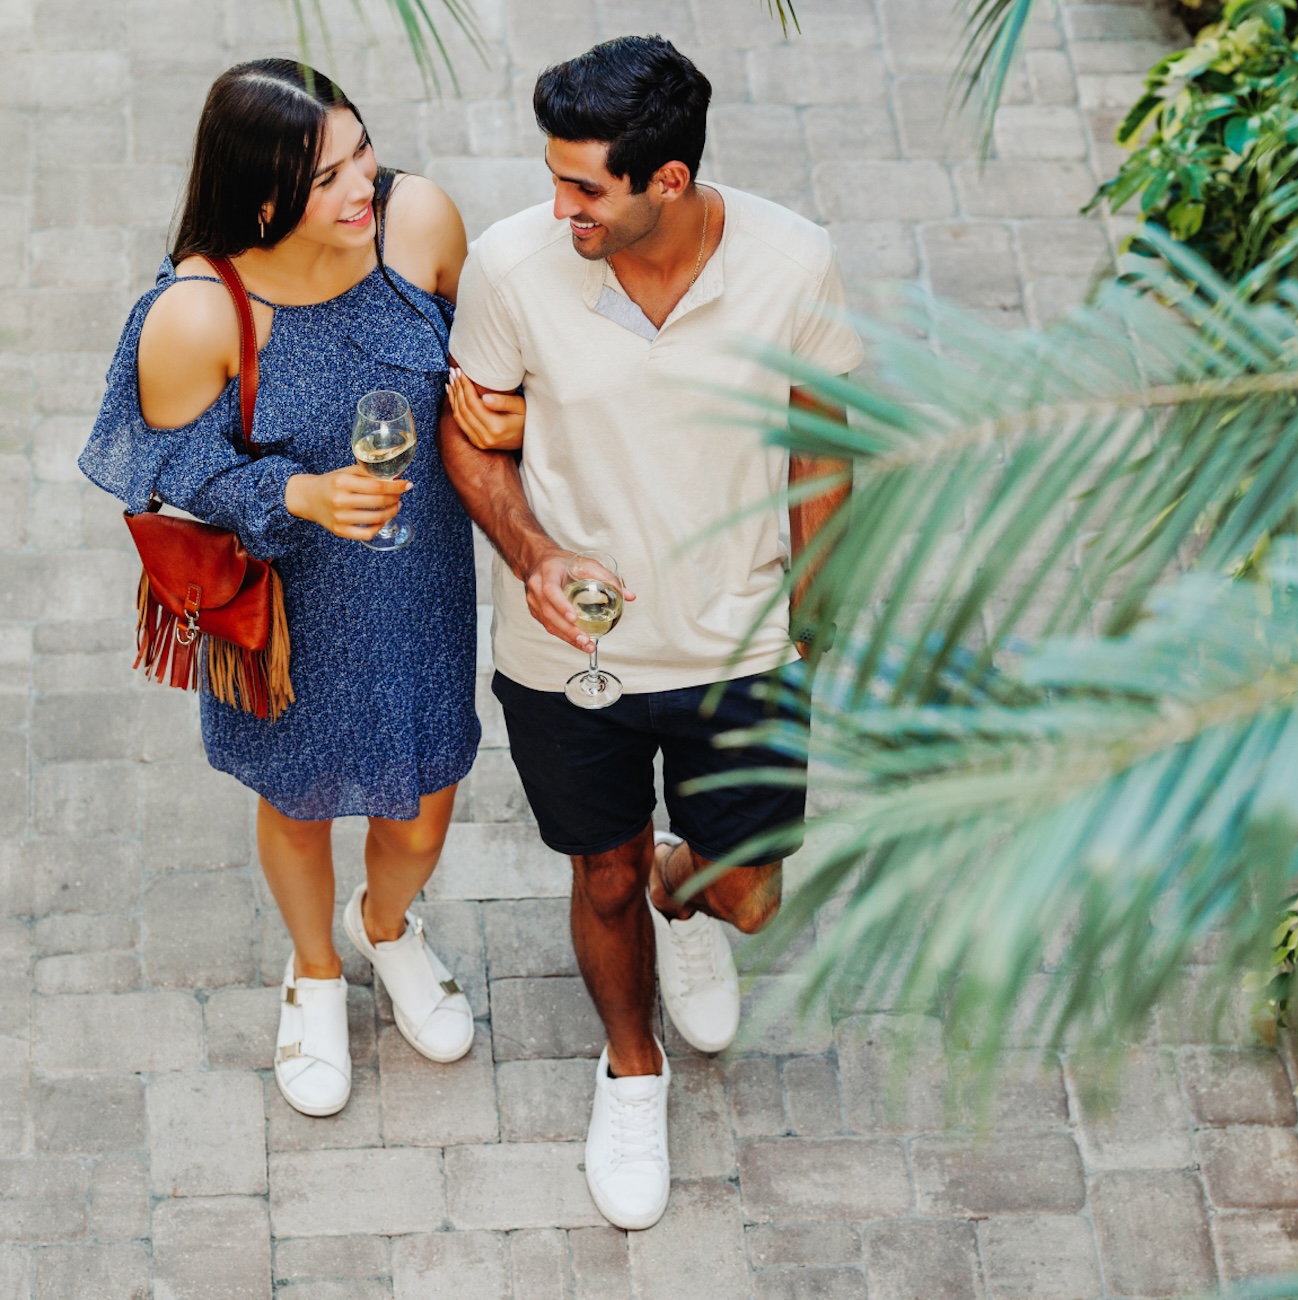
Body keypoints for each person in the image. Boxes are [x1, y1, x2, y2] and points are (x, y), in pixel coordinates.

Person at [440, 35, 863, 1229]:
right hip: (572, 657)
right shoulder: (514, 267)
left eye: (585, 187)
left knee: (749, 898)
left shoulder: (793, 264)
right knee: (603, 869)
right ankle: (630, 1068)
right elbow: (469, 433)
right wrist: (531, 554)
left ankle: (689, 904)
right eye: (554, 176)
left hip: (742, 648)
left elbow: (822, 436)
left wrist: (817, 601)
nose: (557, 204)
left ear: (666, 181)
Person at [79, 59, 523, 1118]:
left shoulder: (420, 225)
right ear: (264, 196)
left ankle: (388, 923)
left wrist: (508, 417)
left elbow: (494, 364)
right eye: (329, 177)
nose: (363, 184)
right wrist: (300, 495)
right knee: (299, 798)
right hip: (288, 604)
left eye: (362, 150)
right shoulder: (200, 313)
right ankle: (315, 967)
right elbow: (166, 470)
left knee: (420, 806)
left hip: (417, 581)